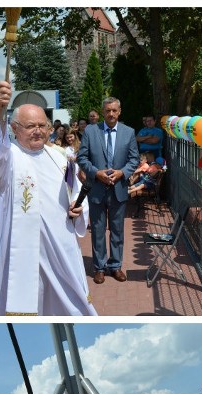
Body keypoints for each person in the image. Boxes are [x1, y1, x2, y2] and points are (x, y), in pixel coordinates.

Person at [0, 80, 96, 316]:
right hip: (22, 250)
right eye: (30, 125)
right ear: (14, 128)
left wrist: (79, 207)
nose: (38, 131)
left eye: (42, 125)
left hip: (60, 248)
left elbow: (76, 193)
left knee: (71, 304)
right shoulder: (7, 159)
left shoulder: (60, 159)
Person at [77, 96, 140, 285]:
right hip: (97, 188)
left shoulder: (128, 132)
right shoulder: (90, 131)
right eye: (107, 111)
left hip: (118, 189)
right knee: (97, 230)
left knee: (117, 230)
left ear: (119, 112)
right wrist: (96, 173)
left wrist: (122, 173)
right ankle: (99, 267)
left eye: (114, 110)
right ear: (103, 112)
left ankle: (116, 266)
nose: (111, 114)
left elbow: (134, 159)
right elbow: (82, 158)